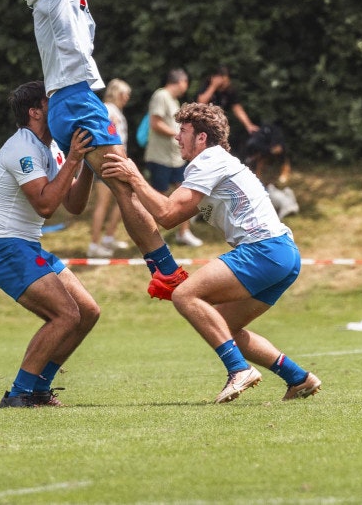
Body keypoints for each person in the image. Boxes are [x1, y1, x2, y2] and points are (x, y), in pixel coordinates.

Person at [19, 0, 184, 299]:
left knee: (120, 182)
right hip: (73, 97)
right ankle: (166, 269)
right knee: (124, 178)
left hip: (76, 99)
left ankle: (165, 268)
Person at [102, 102, 320, 404]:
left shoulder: (209, 160)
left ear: (202, 138)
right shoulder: (217, 163)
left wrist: (134, 176)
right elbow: (170, 218)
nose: (178, 138)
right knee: (224, 327)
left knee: (185, 295)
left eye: (184, 131)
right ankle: (298, 378)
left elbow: (165, 213)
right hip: (283, 254)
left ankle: (238, 370)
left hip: (264, 250)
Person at [0, 82, 102, 407]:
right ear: (35, 111)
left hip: (27, 246)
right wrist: (75, 158)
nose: (60, 107)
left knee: (87, 312)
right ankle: (18, 393)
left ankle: (39, 388)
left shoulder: (52, 148)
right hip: (4, 247)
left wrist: (88, 164)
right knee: (65, 314)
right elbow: (46, 206)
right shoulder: (22, 147)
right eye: (52, 103)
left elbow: (74, 205)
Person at [145, 69, 203, 248]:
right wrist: (179, 134)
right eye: (186, 83)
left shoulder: (174, 100)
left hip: (175, 157)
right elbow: (155, 124)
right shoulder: (161, 95)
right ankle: (154, 240)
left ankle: (183, 233)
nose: (186, 87)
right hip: (160, 157)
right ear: (181, 81)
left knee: (186, 194)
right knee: (158, 198)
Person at [88, 78, 130, 259]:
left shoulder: (116, 111)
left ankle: (108, 237)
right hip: (107, 163)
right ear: (120, 94)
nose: (128, 98)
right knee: (103, 204)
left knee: (123, 201)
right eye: (127, 94)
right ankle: (94, 245)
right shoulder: (106, 109)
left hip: (117, 162)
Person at [197, 66, 258, 147]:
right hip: (203, 124)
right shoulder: (207, 86)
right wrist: (213, 86)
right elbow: (200, 103)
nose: (225, 84)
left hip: (218, 126)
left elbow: (237, 108)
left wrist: (248, 125)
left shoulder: (229, 91)